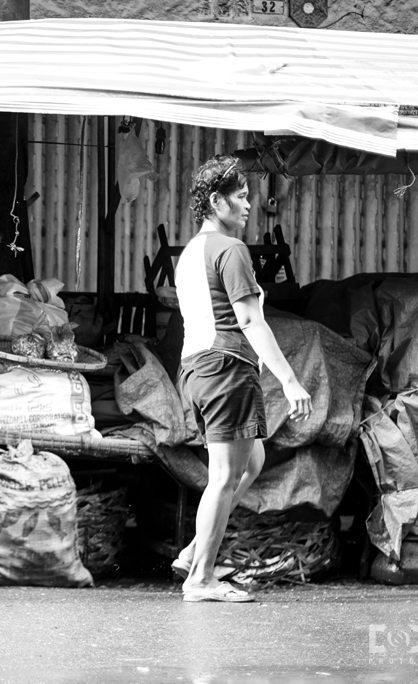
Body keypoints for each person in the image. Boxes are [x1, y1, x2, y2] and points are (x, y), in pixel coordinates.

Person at [172, 154, 312, 603]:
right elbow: (251, 322)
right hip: (226, 367)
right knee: (225, 477)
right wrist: (289, 380)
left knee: (250, 463)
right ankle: (201, 579)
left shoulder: (191, 252)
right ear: (216, 201)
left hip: (194, 368)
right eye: (241, 196)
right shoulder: (231, 250)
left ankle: (196, 549)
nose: (249, 205)